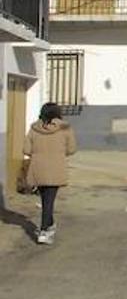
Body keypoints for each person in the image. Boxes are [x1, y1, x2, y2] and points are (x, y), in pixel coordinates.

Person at [22, 103, 77, 245]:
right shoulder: (65, 127)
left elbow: (26, 149)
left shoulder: (34, 127)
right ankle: (44, 231)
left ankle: (50, 225)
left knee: (46, 201)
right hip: (55, 167)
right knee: (49, 201)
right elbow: (71, 149)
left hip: (37, 168)